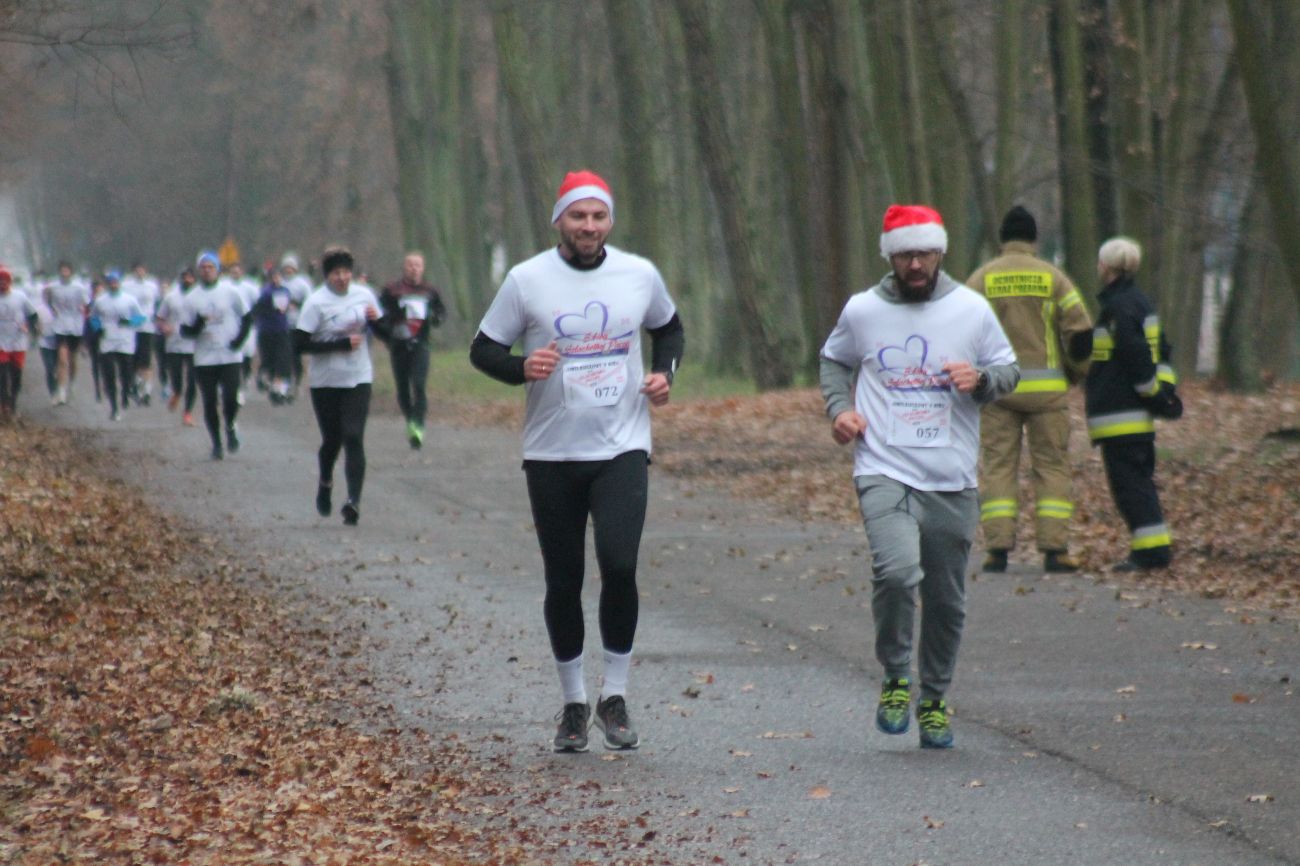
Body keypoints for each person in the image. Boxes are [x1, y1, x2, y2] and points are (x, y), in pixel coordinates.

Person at [470, 170, 684, 753]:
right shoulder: (527, 279)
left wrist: (664, 374)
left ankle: (614, 696)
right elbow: (483, 348)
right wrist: (521, 368)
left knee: (619, 565)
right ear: (559, 221)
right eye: (578, 216)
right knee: (563, 580)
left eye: (598, 216)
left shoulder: (639, 274)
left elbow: (669, 329)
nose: (588, 226)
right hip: (551, 452)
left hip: (622, 447)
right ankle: (573, 704)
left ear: (609, 221)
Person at [819, 204, 1019, 749]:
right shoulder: (863, 310)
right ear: (890, 255)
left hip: (952, 476)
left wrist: (980, 379)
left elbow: (1009, 371)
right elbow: (834, 361)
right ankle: (895, 677)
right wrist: (840, 410)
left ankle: (933, 698)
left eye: (924, 253)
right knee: (897, 572)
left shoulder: (971, 309)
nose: (914, 264)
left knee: (946, 599)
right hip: (884, 467)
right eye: (905, 254)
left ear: (939, 252)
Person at [966, 206, 1094, 573]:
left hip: (997, 390)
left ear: (1003, 239)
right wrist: (1077, 373)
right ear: (1034, 239)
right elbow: (1082, 335)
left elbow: (960, 328)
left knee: (998, 467)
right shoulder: (1054, 278)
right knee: (1052, 467)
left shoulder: (981, 279)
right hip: (1048, 394)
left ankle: (997, 549)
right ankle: (1055, 549)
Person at [1085, 237, 1180, 571]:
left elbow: (1135, 357)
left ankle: (1151, 553)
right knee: (1138, 484)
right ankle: (1151, 549)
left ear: (1106, 267)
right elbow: (1162, 351)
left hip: (1121, 414)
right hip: (1135, 416)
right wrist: (1164, 392)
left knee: (1131, 488)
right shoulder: (1141, 303)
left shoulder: (1119, 307)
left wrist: (1153, 394)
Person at [293, 246, 382, 526]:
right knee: (332, 440)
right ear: (327, 276)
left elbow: (382, 329)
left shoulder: (364, 295)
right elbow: (299, 344)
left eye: (345, 272)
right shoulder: (316, 302)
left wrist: (378, 322)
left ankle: (353, 501)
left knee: (353, 436)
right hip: (325, 381)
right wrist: (339, 344)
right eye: (335, 273)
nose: (342, 278)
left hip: (358, 377)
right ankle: (325, 481)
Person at [181, 250, 251, 459]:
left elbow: (247, 318)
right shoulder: (192, 297)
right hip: (205, 358)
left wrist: (238, 341)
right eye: (203, 267)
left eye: (210, 267)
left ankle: (230, 425)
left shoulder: (231, 292)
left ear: (218, 270)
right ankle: (217, 444)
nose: (207, 271)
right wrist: (197, 325)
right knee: (209, 402)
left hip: (230, 355)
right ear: (198, 271)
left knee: (230, 398)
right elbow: (185, 331)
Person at [379, 251, 447, 449]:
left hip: (421, 344)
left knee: (418, 385)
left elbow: (441, 313)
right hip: (398, 345)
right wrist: (390, 329)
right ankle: (411, 420)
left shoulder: (430, 290)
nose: (414, 269)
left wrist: (436, 317)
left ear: (422, 268)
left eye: (417, 265)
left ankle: (418, 426)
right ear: (404, 267)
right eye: (410, 265)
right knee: (402, 389)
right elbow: (379, 315)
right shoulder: (391, 290)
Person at [89, 270, 147, 421]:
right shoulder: (100, 301)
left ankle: (126, 392)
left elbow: (141, 317)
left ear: (120, 283)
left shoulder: (129, 300)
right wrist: (98, 328)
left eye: (116, 282)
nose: (113, 284)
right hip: (107, 341)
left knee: (126, 373)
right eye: (111, 282)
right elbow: (93, 317)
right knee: (109, 375)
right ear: (107, 283)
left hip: (125, 341)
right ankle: (114, 407)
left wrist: (129, 322)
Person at [42, 260, 91, 405]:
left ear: (71, 272)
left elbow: (87, 304)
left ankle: (72, 382)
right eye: (62, 270)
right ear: (59, 272)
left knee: (72, 359)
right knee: (62, 359)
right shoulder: (53, 287)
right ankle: (61, 391)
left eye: (67, 270)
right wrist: (52, 309)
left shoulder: (79, 287)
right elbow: (47, 299)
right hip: (60, 325)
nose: (64, 273)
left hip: (75, 326)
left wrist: (83, 311)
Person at [156, 267, 199, 425]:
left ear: (194, 279)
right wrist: (164, 327)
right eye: (185, 277)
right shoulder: (170, 297)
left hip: (194, 345)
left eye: (190, 277)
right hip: (174, 343)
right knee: (177, 378)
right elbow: (160, 317)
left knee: (193, 380)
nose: (187, 280)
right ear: (180, 279)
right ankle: (176, 392)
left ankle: (187, 412)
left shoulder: (200, 297)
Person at [0, 267, 39, 422]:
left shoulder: (20, 297)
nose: (2, 284)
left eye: (5, 281)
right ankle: (4, 402)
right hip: (1, 341)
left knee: (16, 375)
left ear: (10, 282)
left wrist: (28, 326)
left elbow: (33, 315)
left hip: (18, 341)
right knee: (2, 374)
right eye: (0, 281)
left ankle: (13, 402)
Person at [121, 261, 162, 406]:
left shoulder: (152, 285)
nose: (140, 272)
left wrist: (157, 319)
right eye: (137, 270)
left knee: (146, 361)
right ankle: (135, 385)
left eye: (142, 270)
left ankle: (147, 391)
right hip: (131, 329)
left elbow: (158, 303)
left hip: (147, 328)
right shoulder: (126, 285)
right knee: (132, 361)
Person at [252, 267, 295, 404]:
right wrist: (270, 308)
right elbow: (258, 309)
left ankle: (279, 390)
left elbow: (287, 305)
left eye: (278, 277)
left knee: (283, 360)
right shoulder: (265, 292)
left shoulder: (285, 291)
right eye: (274, 277)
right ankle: (271, 385)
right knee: (269, 361)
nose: (276, 280)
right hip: (267, 331)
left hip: (281, 330)